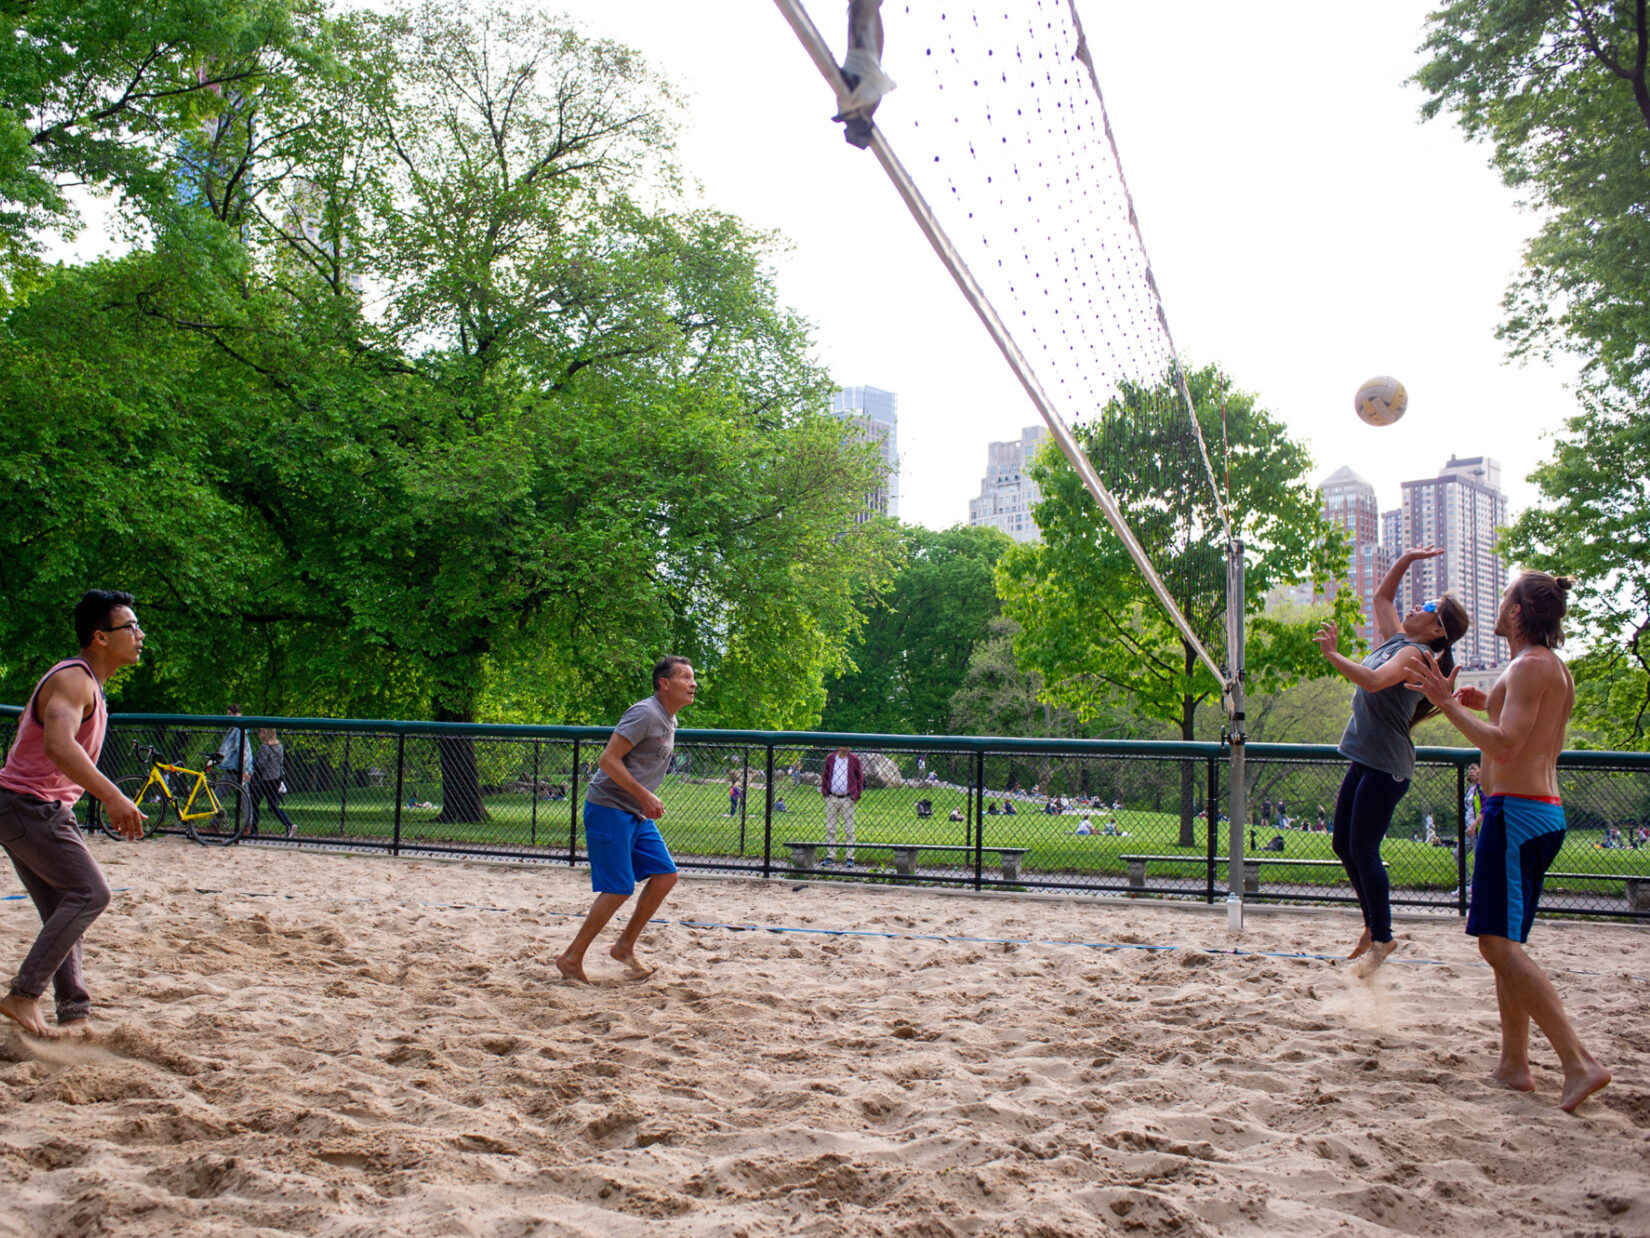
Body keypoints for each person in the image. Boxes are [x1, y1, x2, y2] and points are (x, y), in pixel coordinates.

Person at [1408, 571, 1611, 1112]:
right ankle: (1514, 1064)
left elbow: (1504, 747)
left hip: (1517, 816)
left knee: (1495, 944)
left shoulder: (1528, 667)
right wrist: (1482, 703)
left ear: (1518, 612)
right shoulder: (1549, 667)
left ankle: (1578, 1062)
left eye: (1504, 600)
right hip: (1538, 812)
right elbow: (1528, 736)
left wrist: (1446, 704)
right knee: (1505, 944)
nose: (1498, 607)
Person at [1315, 545, 1470, 973]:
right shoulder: (1399, 640)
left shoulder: (1415, 656)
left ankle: (1383, 937)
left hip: (1388, 766)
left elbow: (1373, 679)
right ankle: (1372, 925)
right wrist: (1406, 560)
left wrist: (1333, 655)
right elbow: (1383, 599)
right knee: (1342, 844)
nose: (1415, 609)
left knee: (1363, 846)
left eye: (1426, 607)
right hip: (1368, 758)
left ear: (1438, 630)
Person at [0, 590, 147, 1038]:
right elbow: (58, 745)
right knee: (90, 895)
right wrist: (113, 796)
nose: (140, 635)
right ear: (100, 637)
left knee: (66, 910)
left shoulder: (90, 684)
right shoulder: (73, 680)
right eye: (131, 627)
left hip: (34, 808)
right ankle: (23, 995)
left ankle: (74, 1015)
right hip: (28, 806)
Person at [556, 657, 695, 984]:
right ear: (664, 683)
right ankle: (571, 958)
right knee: (619, 888)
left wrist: (642, 799)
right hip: (609, 807)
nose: (693, 684)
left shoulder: (669, 719)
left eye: (693, 679)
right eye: (685, 677)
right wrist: (645, 795)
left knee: (665, 876)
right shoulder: (645, 713)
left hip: (634, 811)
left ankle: (624, 946)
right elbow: (608, 760)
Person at [249, 728, 296, 838]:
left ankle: (254, 830)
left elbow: (260, 764)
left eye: (260, 731)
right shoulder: (279, 746)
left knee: (255, 803)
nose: (259, 734)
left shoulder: (264, 747)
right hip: (276, 779)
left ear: (266, 733)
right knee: (273, 804)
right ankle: (288, 824)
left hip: (264, 780)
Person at [821, 745, 862, 868]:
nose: (845, 747)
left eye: (848, 745)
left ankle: (850, 857)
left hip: (848, 798)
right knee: (831, 828)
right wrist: (825, 791)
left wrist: (856, 795)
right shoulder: (831, 758)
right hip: (832, 796)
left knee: (849, 829)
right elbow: (826, 775)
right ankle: (830, 856)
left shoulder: (854, 759)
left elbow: (859, 777)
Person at [216, 704, 253, 828]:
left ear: (231, 713)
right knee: (244, 799)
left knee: (242, 799)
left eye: (228, 714)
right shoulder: (235, 729)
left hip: (238, 770)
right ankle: (247, 826)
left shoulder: (237, 729)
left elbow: (243, 750)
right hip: (234, 770)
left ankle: (217, 823)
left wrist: (246, 770)